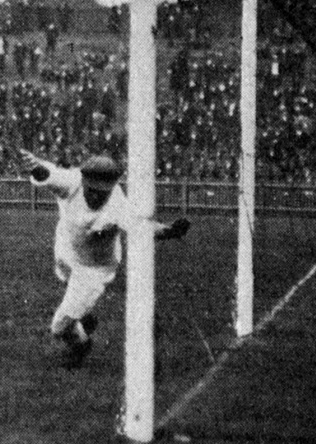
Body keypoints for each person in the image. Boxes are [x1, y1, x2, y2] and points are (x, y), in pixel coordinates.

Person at [19, 150, 190, 368]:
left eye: (103, 192)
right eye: (92, 190)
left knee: (59, 327)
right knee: (63, 277)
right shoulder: (72, 182)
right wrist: (34, 166)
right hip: (67, 246)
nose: (96, 196)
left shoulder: (118, 205)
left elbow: (141, 227)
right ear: (84, 181)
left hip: (94, 268)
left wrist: (170, 231)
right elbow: (47, 175)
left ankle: (81, 345)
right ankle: (82, 317)